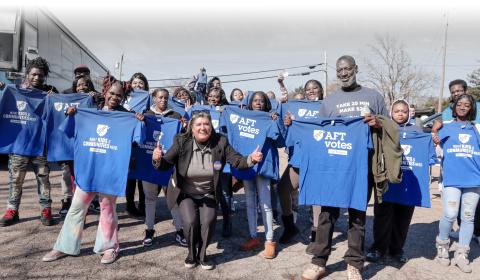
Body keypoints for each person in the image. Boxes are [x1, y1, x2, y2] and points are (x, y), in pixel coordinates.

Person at [42, 76, 144, 264]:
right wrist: (72, 115)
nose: (114, 97)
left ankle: (109, 248)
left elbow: (138, 139)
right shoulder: (89, 112)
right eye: (111, 93)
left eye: (118, 95)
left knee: (107, 209)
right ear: (105, 92)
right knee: (76, 208)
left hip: (110, 170)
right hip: (88, 169)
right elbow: (68, 132)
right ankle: (64, 246)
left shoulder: (127, 117)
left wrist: (139, 120)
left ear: (123, 97)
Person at [301, 55, 387, 280]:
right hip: (333, 169)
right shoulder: (329, 101)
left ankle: (354, 264)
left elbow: (389, 128)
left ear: (356, 69)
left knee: (357, 215)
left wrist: (377, 123)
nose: (343, 73)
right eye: (339, 70)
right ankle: (319, 262)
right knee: (327, 215)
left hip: (362, 167)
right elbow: (318, 133)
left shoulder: (374, 97)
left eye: (347, 69)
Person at [152, 111, 263, 269]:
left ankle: (203, 255)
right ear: (191, 127)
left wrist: (251, 158)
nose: (203, 127)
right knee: (190, 222)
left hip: (208, 192)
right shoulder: (181, 141)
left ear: (211, 126)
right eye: (198, 124)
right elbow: (165, 165)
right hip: (186, 192)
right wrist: (157, 159)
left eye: (206, 124)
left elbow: (236, 160)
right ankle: (191, 254)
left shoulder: (220, 142)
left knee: (209, 221)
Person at [366, 100, 435, 264]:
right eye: (397, 110)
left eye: (404, 111)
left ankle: (397, 249)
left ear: (409, 113)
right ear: (391, 112)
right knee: (382, 216)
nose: (400, 114)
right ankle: (378, 248)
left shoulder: (419, 132)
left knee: (403, 218)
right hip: (386, 180)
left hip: (409, 183)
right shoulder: (382, 128)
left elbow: (430, 157)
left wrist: (434, 138)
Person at [0, 57, 57, 227]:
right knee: (15, 179)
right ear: (27, 74)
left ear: (44, 76)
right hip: (18, 146)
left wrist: (55, 100)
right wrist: (3, 91)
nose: (37, 78)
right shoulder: (13, 91)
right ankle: (12, 210)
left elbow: (59, 114)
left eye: (40, 75)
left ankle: (46, 209)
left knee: (43, 179)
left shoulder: (50, 93)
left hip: (40, 146)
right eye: (33, 74)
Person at [432, 94, 480, 273]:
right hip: (452, 179)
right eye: (459, 104)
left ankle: (462, 254)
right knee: (450, 213)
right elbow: (436, 149)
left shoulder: (477, 129)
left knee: (468, 217)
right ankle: (442, 248)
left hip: (474, 180)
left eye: (467, 105)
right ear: (454, 107)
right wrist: (435, 133)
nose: (462, 107)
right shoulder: (446, 127)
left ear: (471, 108)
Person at [277, 79, 324, 244]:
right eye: (308, 89)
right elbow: (284, 121)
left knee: (315, 197)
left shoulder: (327, 107)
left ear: (321, 90)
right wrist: (289, 122)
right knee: (283, 188)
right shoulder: (298, 108)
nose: (311, 91)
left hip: (318, 159)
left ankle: (317, 235)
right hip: (299, 156)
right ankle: (290, 227)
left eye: (315, 87)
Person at [141, 88, 186, 247]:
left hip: (169, 165)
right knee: (150, 199)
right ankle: (149, 229)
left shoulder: (175, 117)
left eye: (166, 98)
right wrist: (139, 122)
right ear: (153, 98)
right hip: (149, 164)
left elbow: (184, 138)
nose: (163, 100)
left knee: (173, 199)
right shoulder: (145, 116)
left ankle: (180, 231)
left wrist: (184, 126)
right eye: (160, 97)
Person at [238, 91, 279, 259]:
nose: (258, 103)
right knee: (249, 201)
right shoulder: (244, 117)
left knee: (265, 203)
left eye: (261, 101)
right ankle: (253, 236)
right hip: (248, 163)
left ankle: (269, 241)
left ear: (266, 103)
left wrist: (276, 122)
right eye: (255, 100)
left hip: (264, 164)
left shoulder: (270, 118)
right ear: (250, 103)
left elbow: (278, 139)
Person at [439, 79, 480, 242]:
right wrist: (436, 130)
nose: (456, 94)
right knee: (451, 212)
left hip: (474, 175)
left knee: (471, 213)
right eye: (453, 92)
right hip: (454, 176)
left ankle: (470, 240)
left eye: (459, 90)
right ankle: (442, 242)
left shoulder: (475, 125)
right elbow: (438, 145)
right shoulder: (446, 116)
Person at [125, 72, 149, 217]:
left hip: (143, 139)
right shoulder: (124, 96)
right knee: (130, 175)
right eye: (135, 82)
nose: (137, 85)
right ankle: (129, 204)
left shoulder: (149, 97)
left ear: (145, 85)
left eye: (140, 83)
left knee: (142, 175)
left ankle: (143, 204)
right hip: (127, 139)